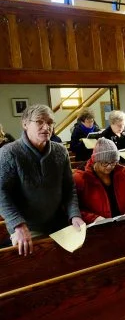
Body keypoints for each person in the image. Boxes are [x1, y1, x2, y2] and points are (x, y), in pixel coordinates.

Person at [0, 105, 84, 255]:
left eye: (50, 122)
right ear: (25, 124)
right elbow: (1, 193)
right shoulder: (9, 152)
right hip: (28, 226)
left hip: (58, 222)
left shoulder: (60, 151)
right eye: (39, 122)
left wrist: (74, 214)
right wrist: (18, 225)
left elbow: (68, 187)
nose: (46, 127)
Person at [73, 138, 125, 224]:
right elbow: (75, 208)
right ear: (95, 160)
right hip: (97, 230)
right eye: (104, 163)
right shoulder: (80, 178)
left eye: (113, 162)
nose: (109, 166)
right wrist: (94, 218)